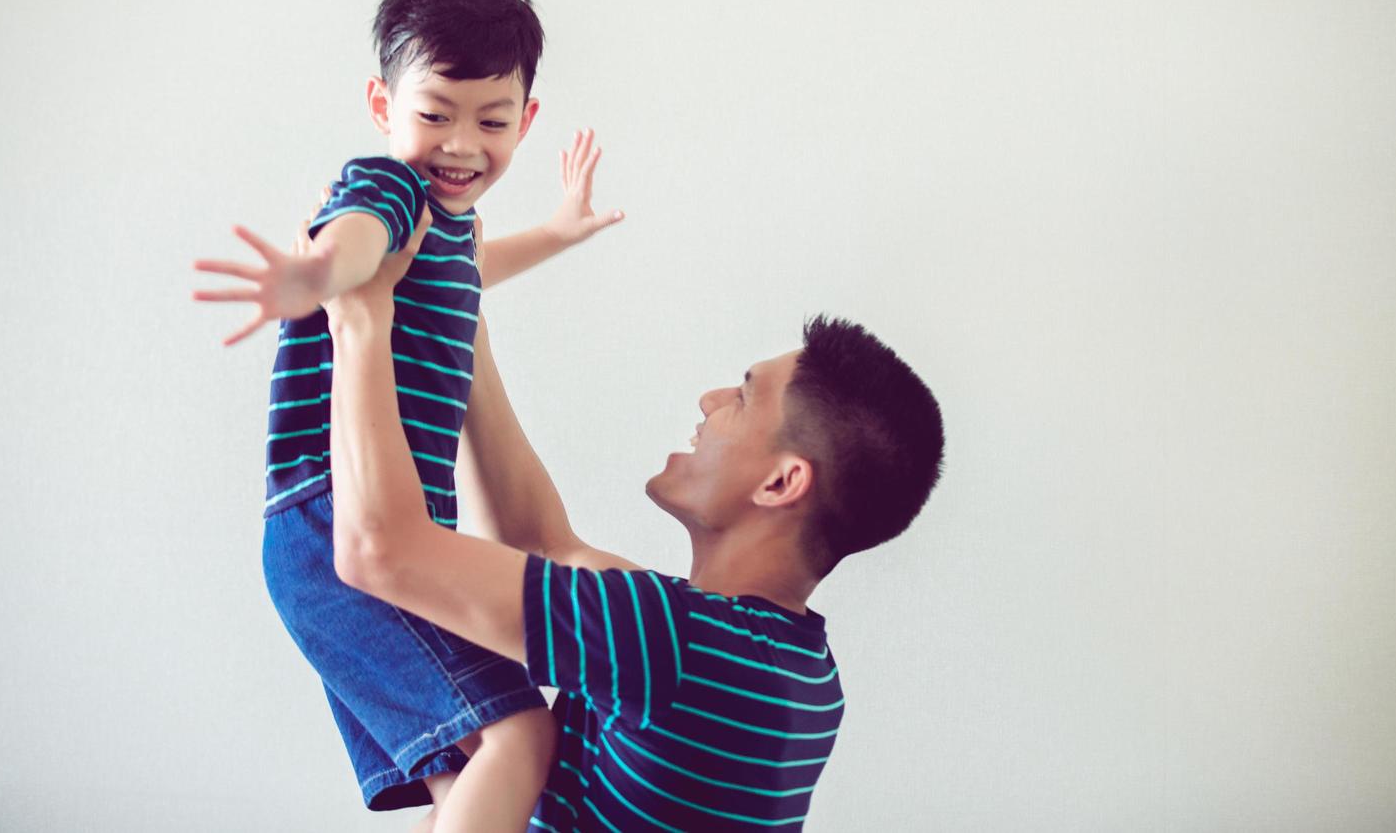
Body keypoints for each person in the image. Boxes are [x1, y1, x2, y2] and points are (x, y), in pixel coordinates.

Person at [321, 218, 946, 830]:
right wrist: (467, 313)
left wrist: (358, 319)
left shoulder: (668, 640)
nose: (711, 399)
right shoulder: (798, 674)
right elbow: (543, 540)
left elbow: (377, 551)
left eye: (744, 397)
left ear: (780, 483)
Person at [192, 0, 623, 831]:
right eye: (433, 115)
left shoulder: (453, 227)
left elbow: (468, 270)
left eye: (492, 121)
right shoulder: (386, 185)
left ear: (526, 121)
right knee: (519, 740)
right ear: (383, 107)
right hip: (333, 518)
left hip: (373, 529)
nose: (462, 145)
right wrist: (314, 273)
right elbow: (359, 241)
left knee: (457, 784)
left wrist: (560, 232)